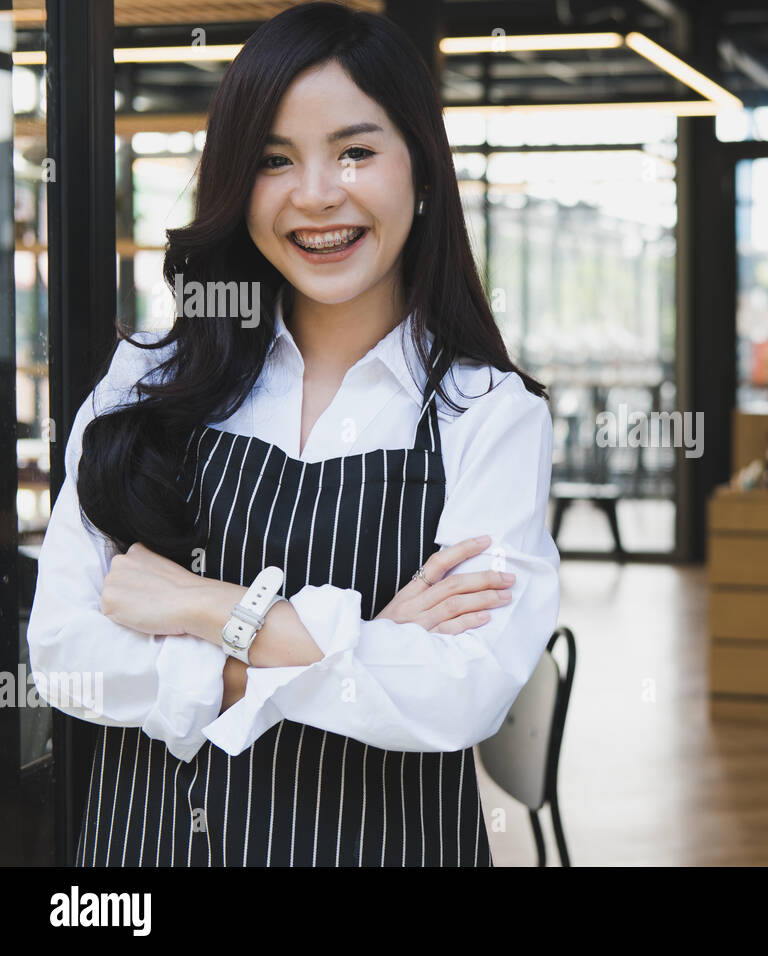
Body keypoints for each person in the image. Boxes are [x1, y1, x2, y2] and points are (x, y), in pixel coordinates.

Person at [26, 1, 561, 867]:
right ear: (238, 185)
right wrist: (358, 648)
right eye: (275, 160)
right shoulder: (144, 383)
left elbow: (462, 697)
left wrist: (208, 611)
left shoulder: (489, 414)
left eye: (356, 151)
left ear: (421, 168)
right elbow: (64, 656)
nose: (316, 194)